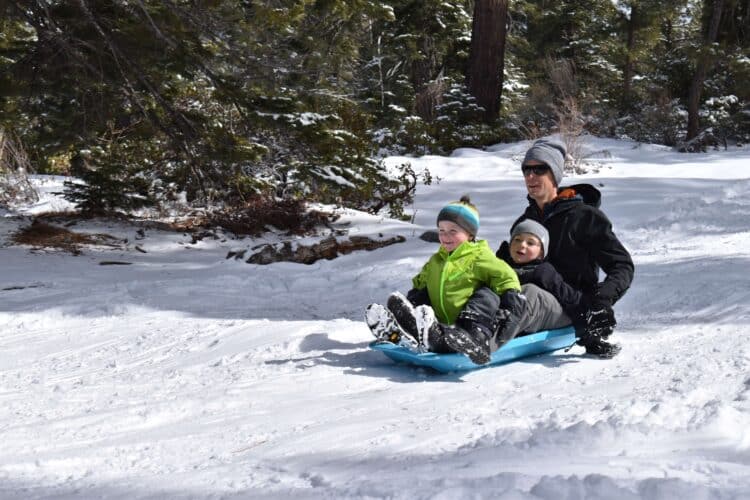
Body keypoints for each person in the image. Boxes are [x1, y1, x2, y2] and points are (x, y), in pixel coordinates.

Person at [366, 196, 571, 365]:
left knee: (486, 293)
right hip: (443, 319)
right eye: (441, 231)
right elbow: (422, 279)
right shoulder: (437, 259)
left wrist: (510, 293)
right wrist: (416, 295)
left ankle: (473, 337)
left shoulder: (480, 256)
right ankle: (410, 326)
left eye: (453, 231)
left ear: (470, 233)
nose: (446, 236)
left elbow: (504, 274)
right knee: (421, 295)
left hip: (471, 320)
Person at [507, 138, 634, 356]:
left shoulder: (584, 217)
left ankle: (479, 341)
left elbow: (621, 265)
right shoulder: (524, 222)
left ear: (554, 174)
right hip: (526, 303)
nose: (531, 176)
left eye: (539, 169)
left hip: (570, 306)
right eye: (526, 170)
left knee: (528, 294)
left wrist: (601, 301)